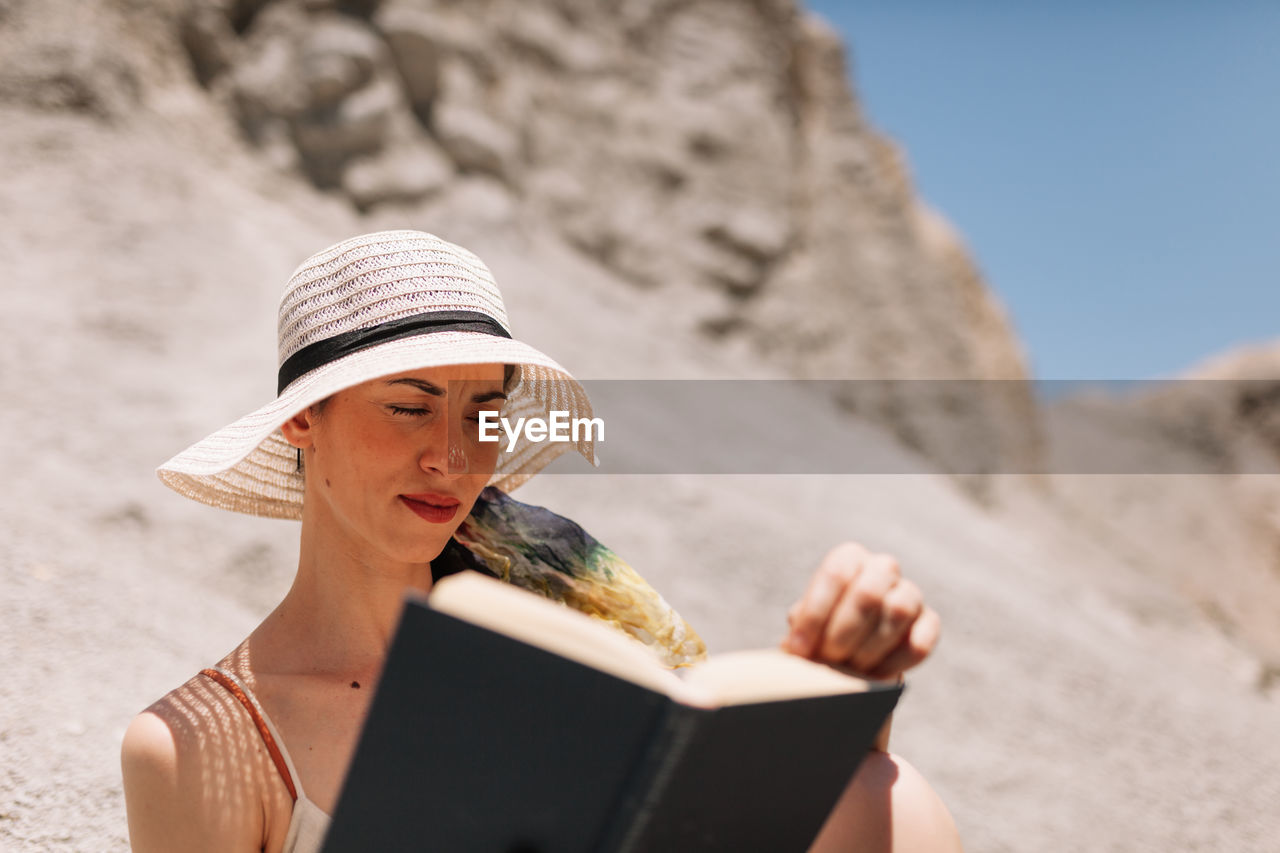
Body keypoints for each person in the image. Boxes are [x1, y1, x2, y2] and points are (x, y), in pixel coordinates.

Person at [121, 230, 962, 852]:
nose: (453, 456)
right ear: (305, 417)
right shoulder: (203, 742)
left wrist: (851, 685)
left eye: (483, 411)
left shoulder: (561, 629)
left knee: (884, 792)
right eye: (409, 406)